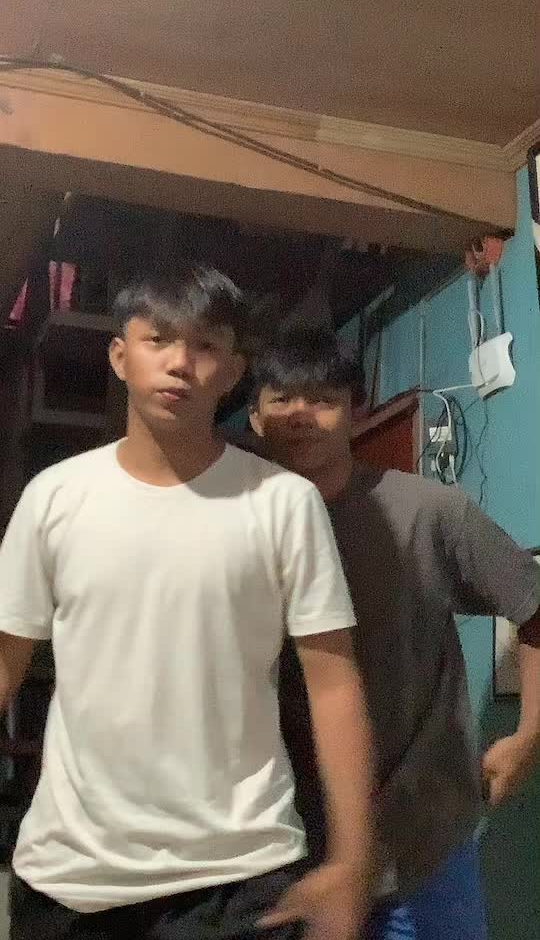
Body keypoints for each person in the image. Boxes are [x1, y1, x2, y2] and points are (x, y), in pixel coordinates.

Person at [0, 272, 374, 940]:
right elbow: (5, 662)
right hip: (71, 877)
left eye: (204, 345)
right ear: (120, 356)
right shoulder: (54, 498)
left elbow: (334, 684)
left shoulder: (283, 503)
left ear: (232, 371)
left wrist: (351, 861)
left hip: (240, 876)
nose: (179, 362)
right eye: (159, 339)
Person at [246, 326, 540, 940]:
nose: (301, 414)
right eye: (282, 398)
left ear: (358, 413)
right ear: (254, 417)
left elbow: (532, 604)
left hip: (425, 844)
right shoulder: (229, 529)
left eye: (323, 399)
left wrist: (528, 735)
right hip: (284, 851)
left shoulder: (428, 511)